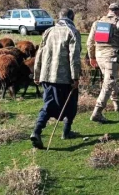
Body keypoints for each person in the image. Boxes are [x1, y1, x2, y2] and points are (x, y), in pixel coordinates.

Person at [30, 8, 82, 149]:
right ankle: (59, 131)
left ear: (59, 16)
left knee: (49, 104)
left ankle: (43, 130)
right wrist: (75, 77)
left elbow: (39, 53)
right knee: (69, 104)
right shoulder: (72, 32)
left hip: (46, 76)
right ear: (72, 17)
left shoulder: (48, 31)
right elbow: (74, 57)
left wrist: (37, 74)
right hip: (64, 78)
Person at [87, 3, 119, 123]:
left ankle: (117, 105)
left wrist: (92, 57)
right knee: (108, 83)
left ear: (108, 11)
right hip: (112, 57)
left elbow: (89, 42)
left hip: (100, 57)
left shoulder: (97, 23)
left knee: (110, 80)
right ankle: (97, 112)